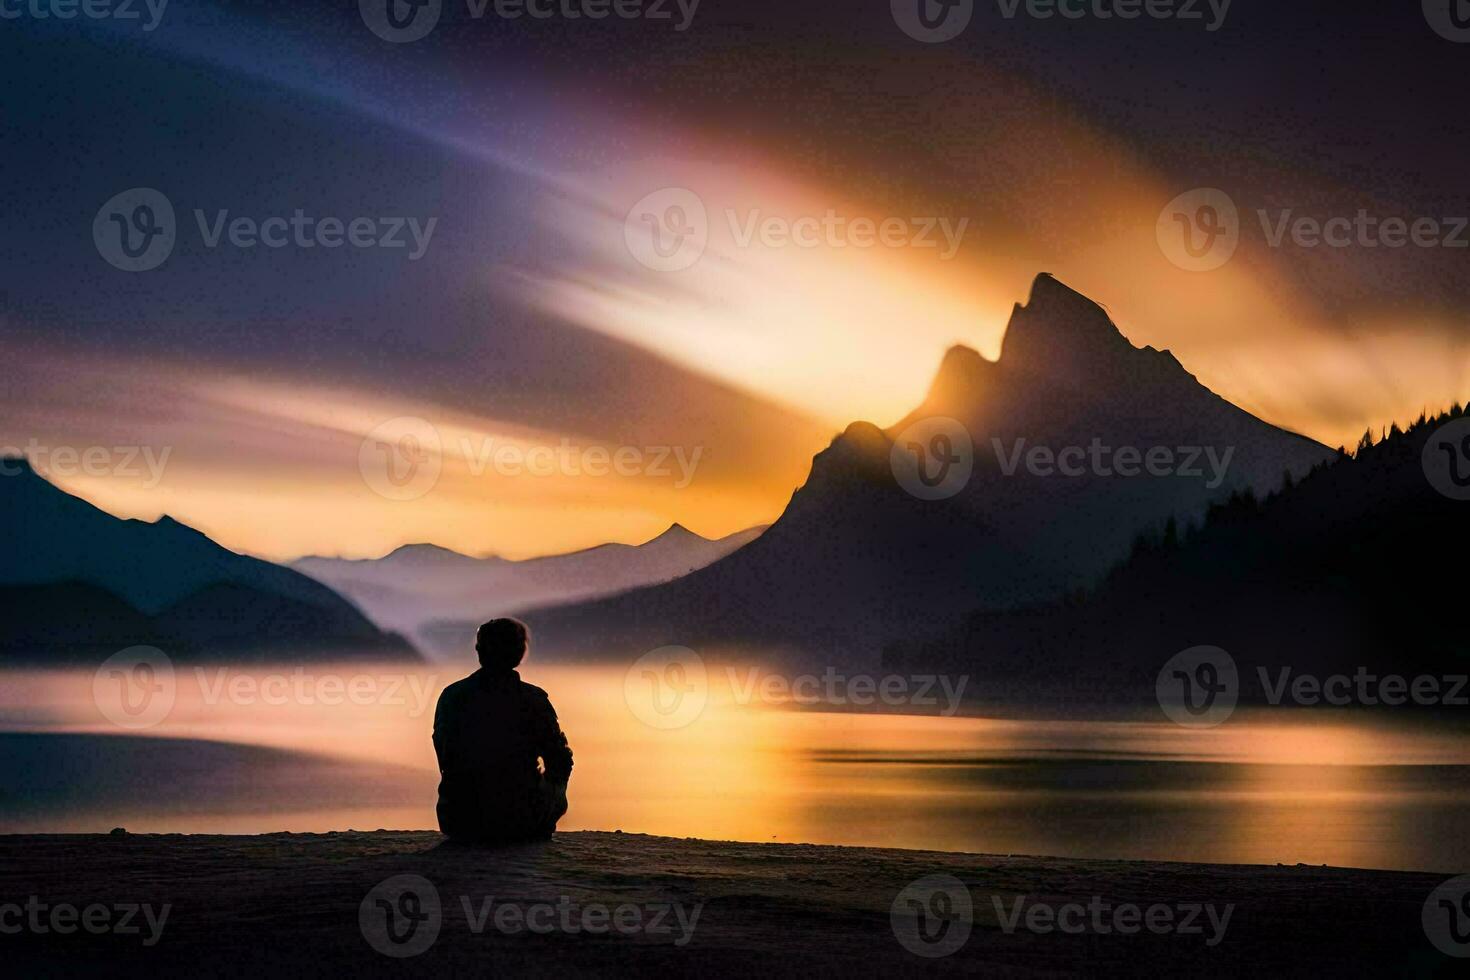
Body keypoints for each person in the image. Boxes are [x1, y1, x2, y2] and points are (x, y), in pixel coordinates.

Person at [432, 618, 573, 843]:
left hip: (459, 819)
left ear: (479, 650)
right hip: (522, 820)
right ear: (520, 653)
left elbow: (445, 758)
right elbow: (560, 760)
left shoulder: (451, 697)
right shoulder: (533, 700)